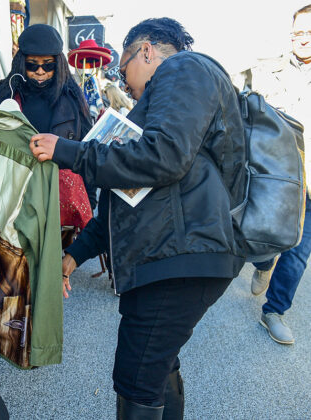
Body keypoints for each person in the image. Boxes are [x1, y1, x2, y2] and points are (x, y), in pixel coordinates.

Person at [30, 18, 247, 419]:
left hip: (175, 256)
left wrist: (72, 152)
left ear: (145, 51)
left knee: (137, 377)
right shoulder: (178, 91)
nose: (123, 81)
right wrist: (74, 255)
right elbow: (127, 200)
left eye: (123, 65)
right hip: (174, 254)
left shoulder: (184, 69)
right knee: (157, 366)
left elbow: (163, 156)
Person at [247, 4, 311, 345]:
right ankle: (264, 261)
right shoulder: (269, 70)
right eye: (297, 33)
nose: (302, 40)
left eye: (309, 33)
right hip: (278, 173)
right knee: (270, 234)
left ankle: (274, 311)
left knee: (300, 248)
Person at [0, 23, 97, 210]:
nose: (40, 71)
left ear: (58, 63)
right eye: (32, 65)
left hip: (60, 204)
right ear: (21, 62)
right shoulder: (1, 96)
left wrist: (89, 203)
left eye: (48, 65)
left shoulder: (73, 99)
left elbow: (87, 151)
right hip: (11, 202)